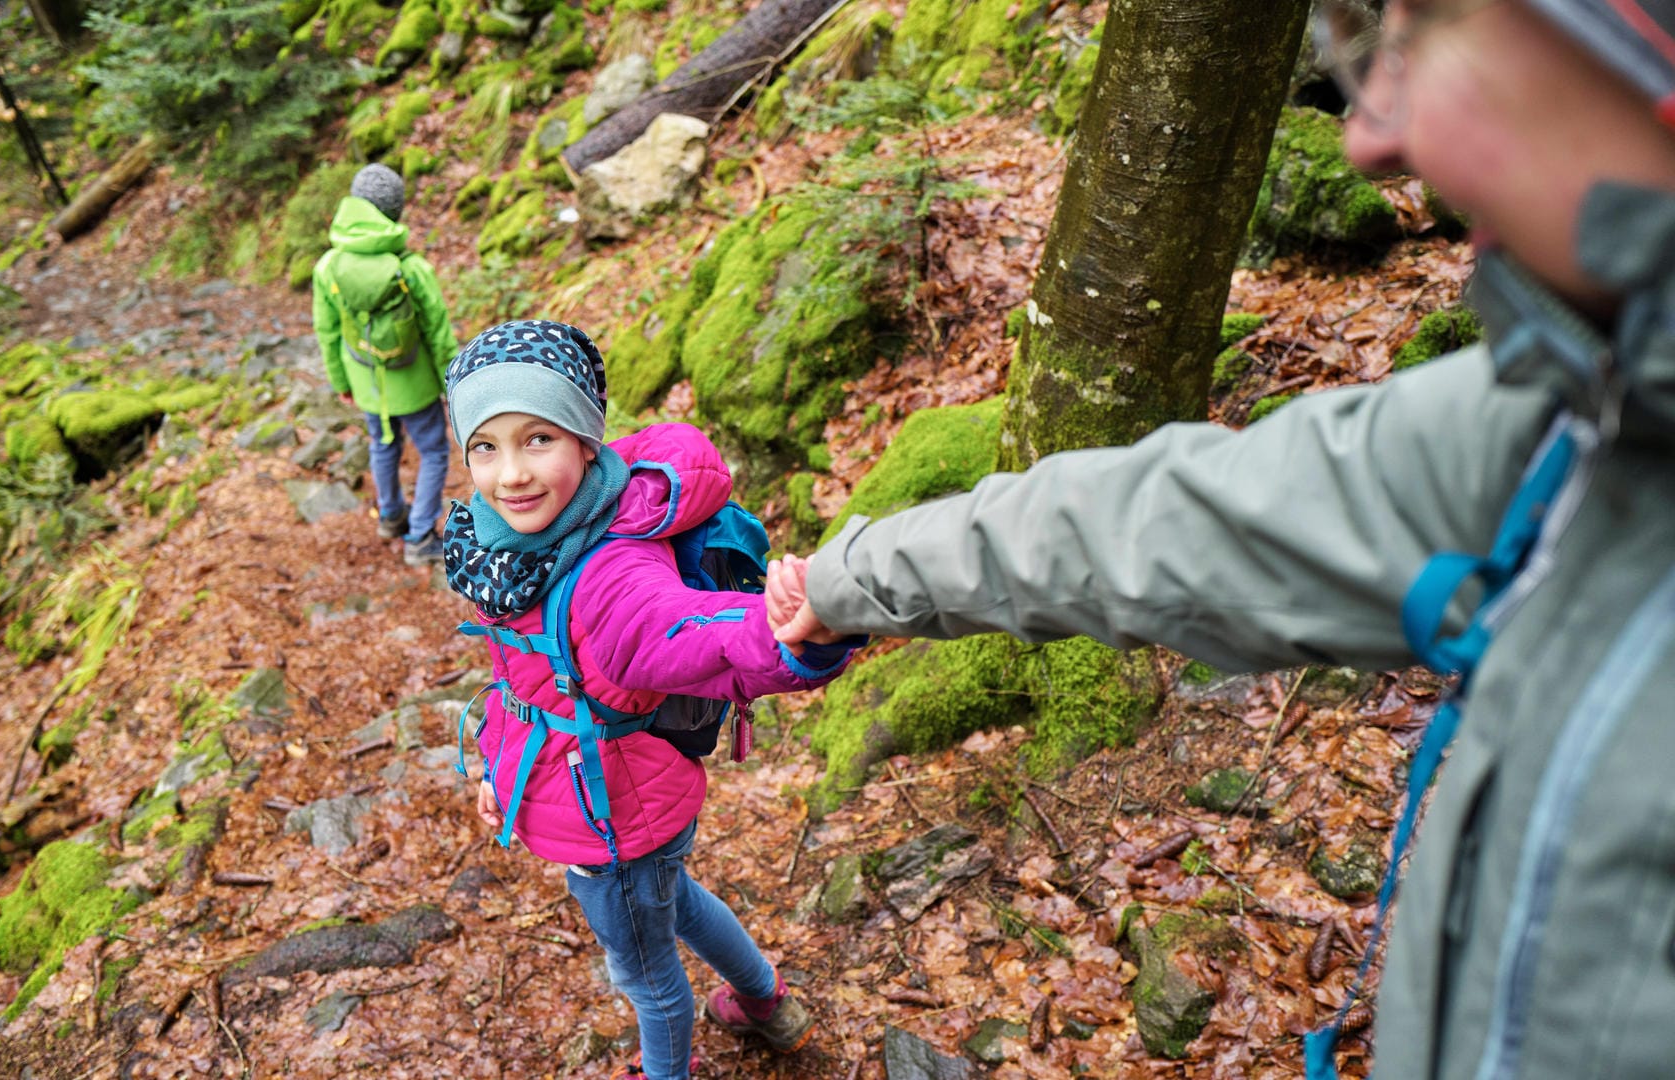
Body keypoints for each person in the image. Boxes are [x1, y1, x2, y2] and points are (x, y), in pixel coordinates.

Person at [766, 2, 1675, 1078]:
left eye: (1428, 26)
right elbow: (1159, 520)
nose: (1369, 139)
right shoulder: (1568, 439)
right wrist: (849, 576)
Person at [442, 320, 859, 1080]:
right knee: (679, 901)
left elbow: (698, 636)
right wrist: (501, 776)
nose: (510, 475)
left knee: (645, 973)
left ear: (586, 441)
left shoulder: (605, 576)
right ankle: (767, 1003)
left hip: (616, 821)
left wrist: (793, 632)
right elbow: (531, 685)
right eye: (486, 446)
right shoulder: (519, 547)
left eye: (539, 438)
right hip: (626, 795)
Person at [312, 163, 459, 565]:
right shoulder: (411, 268)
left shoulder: (328, 268)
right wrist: (453, 381)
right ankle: (421, 536)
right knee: (432, 452)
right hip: (414, 385)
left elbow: (327, 332)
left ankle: (391, 516)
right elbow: (438, 332)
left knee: (382, 444)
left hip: (366, 383)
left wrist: (340, 380)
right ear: (394, 212)